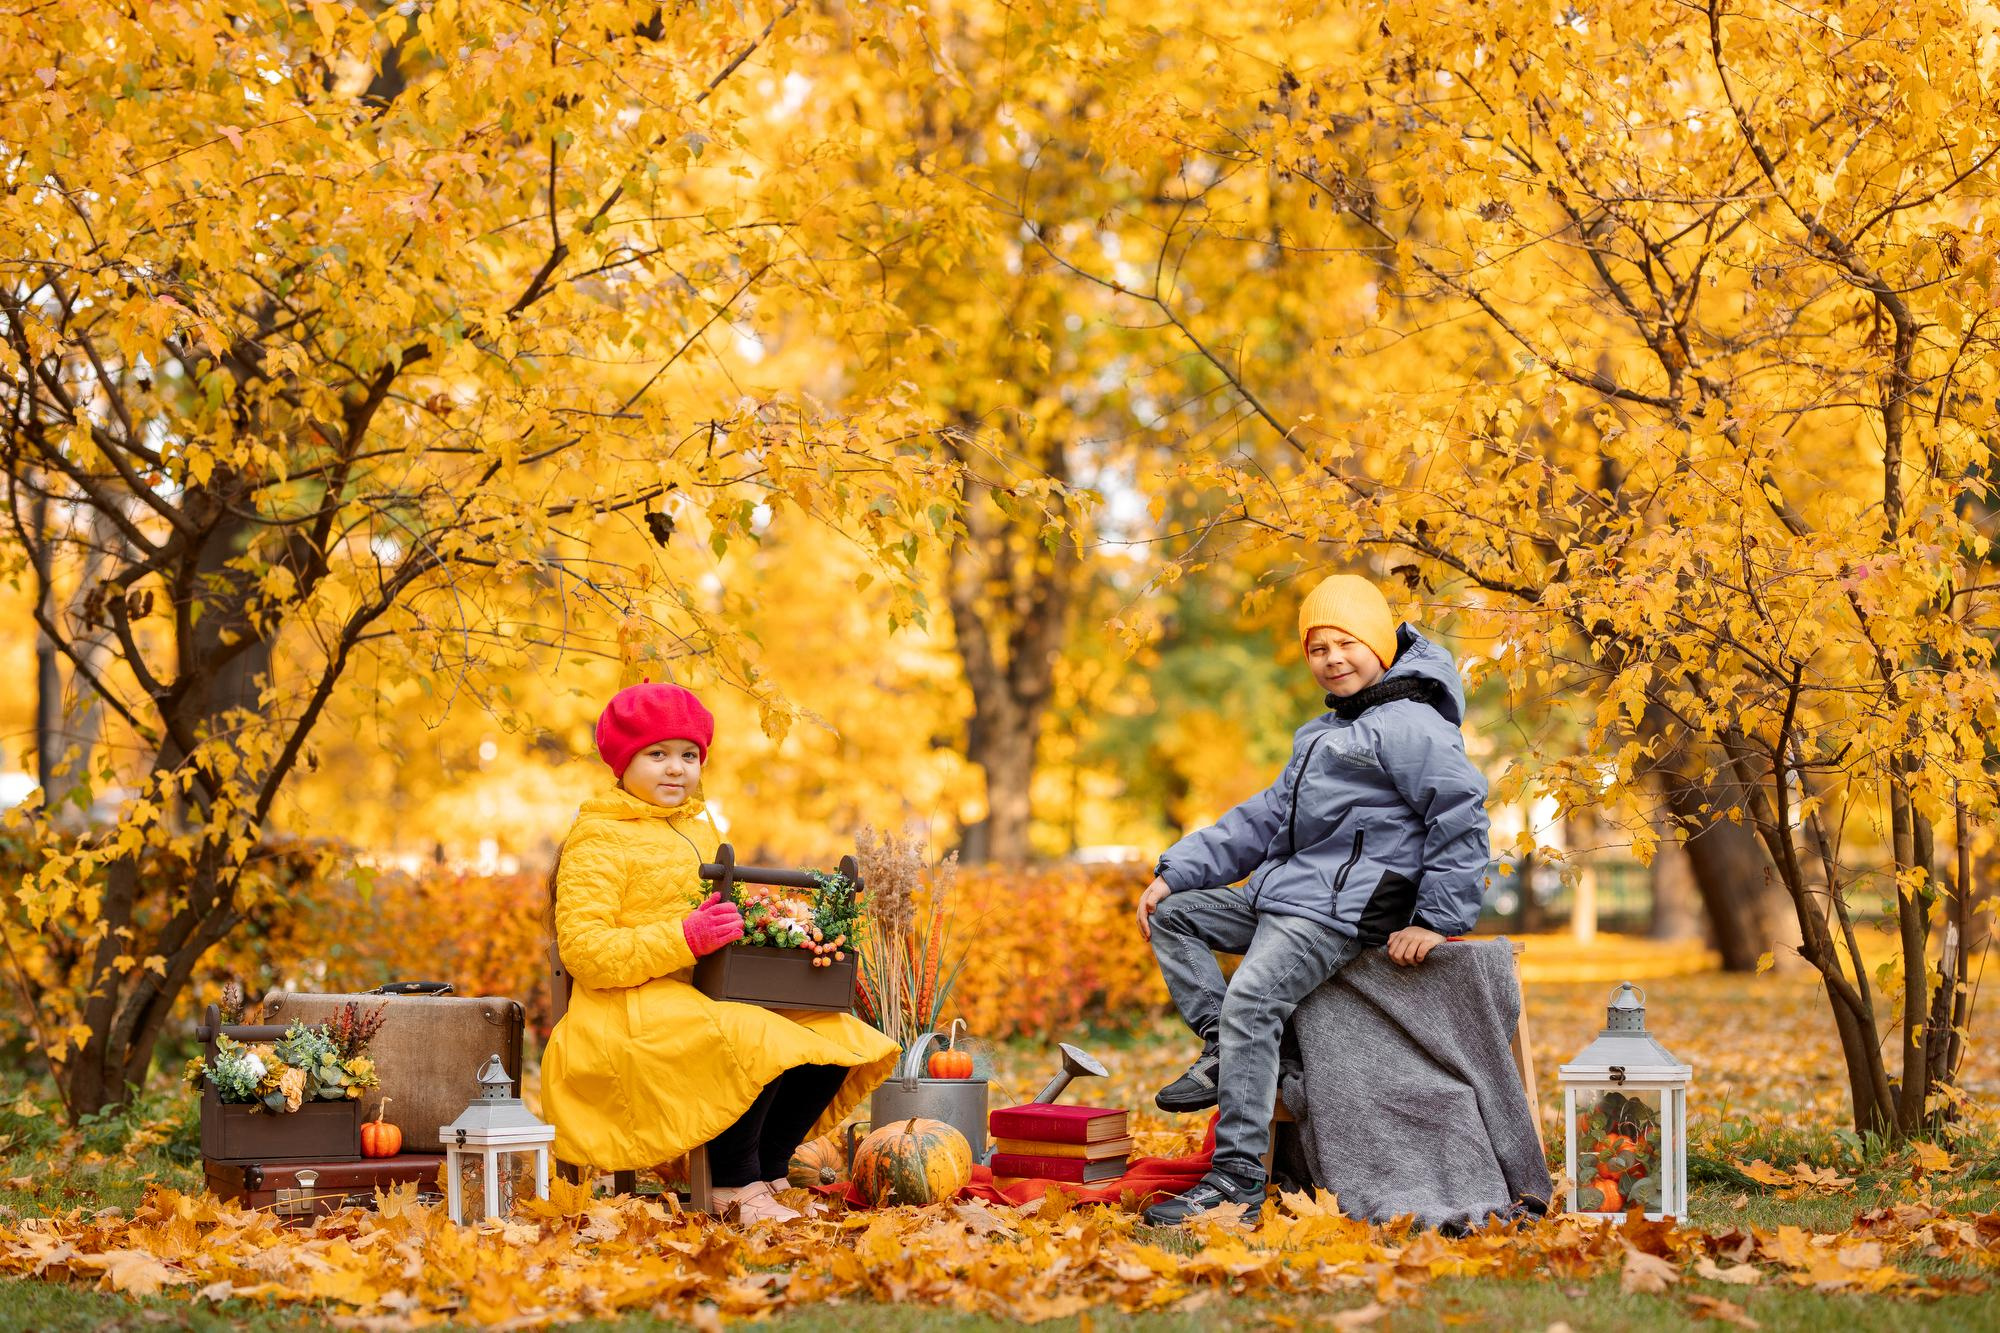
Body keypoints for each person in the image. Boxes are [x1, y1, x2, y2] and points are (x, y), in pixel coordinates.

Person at [1135, 574, 1492, 1226]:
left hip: (1338, 910)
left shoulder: (1409, 725)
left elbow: (1461, 812)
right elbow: (1260, 819)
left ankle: (1235, 1185)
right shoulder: (1322, 732)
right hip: (1286, 897)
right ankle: (1227, 1047)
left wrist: (1437, 917)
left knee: (1251, 998)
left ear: (1380, 645)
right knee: (1173, 914)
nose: (1331, 657)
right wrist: (1176, 871)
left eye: (1346, 641)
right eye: (1317, 647)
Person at [542, 681, 899, 1223]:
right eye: (656, 754)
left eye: (688, 756)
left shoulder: (698, 830)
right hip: (620, 1009)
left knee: (837, 1035)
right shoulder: (600, 838)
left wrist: (781, 929)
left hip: (696, 994)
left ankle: (768, 1168)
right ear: (622, 762)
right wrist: (685, 937)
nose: (675, 769)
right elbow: (586, 952)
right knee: (758, 1037)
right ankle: (732, 1182)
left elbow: (723, 925)